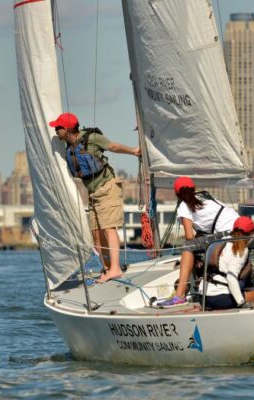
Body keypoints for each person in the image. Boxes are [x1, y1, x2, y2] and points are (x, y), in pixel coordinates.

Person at [49, 112, 141, 282]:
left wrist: (134, 151)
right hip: (93, 194)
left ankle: (115, 268)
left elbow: (113, 146)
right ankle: (107, 268)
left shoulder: (92, 138)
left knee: (109, 228)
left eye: (58, 127)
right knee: (96, 234)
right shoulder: (68, 146)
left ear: (68, 129)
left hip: (107, 188)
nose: (55, 130)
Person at [157, 176, 239, 307]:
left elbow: (190, 237)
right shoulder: (207, 197)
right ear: (194, 188)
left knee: (188, 247)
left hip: (228, 234)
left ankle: (179, 296)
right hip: (239, 227)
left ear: (177, 195)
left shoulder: (184, 205)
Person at [201, 216, 254, 310]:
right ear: (250, 234)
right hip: (218, 297)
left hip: (203, 296)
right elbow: (231, 277)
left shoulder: (222, 241)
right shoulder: (241, 249)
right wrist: (241, 302)